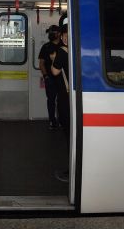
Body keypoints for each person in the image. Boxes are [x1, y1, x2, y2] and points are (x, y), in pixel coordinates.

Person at [51, 24, 70, 183]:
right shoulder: (78, 51)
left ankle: (72, 171)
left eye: (68, 34)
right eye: (64, 34)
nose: (65, 37)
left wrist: (53, 59)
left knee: (69, 134)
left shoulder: (62, 52)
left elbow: (55, 71)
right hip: (76, 98)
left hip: (66, 98)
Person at [38, 24, 62, 129]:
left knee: (62, 101)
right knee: (51, 100)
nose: (51, 34)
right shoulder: (46, 47)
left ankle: (62, 121)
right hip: (50, 79)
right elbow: (41, 63)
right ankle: (52, 121)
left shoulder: (64, 46)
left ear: (59, 34)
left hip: (62, 79)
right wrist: (46, 76)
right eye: (50, 33)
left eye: (53, 32)